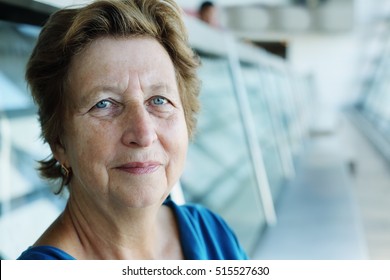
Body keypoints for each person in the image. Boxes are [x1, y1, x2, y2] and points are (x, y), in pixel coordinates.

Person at [17, 0, 247, 260]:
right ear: (59, 141)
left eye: (159, 100)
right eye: (103, 104)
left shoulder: (212, 232)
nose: (144, 134)